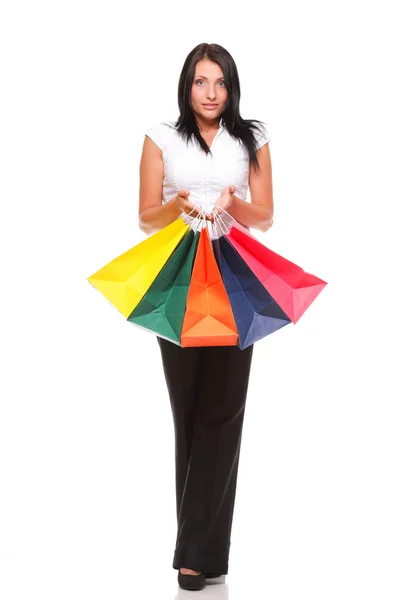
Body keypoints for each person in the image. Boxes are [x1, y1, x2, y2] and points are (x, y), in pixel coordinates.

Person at [138, 43, 274, 591]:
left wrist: (230, 204)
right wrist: (181, 205)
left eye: (220, 83)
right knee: (189, 414)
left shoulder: (252, 137)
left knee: (224, 411)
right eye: (201, 82)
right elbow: (146, 216)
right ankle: (207, 554)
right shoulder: (160, 137)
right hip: (177, 277)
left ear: (231, 87)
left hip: (234, 275)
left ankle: (193, 556)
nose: (211, 93)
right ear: (187, 86)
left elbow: (265, 216)